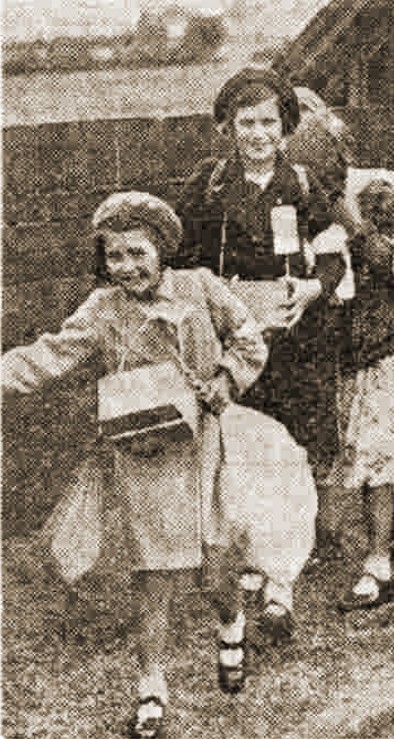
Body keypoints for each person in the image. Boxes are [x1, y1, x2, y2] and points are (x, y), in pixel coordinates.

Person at [1, 193, 269, 738]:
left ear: (161, 251)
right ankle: (151, 688)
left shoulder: (200, 288)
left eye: (137, 253)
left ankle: (231, 620)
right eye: (115, 256)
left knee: (213, 567)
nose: (127, 267)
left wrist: (223, 379)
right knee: (153, 574)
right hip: (140, 456)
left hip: (203, 448)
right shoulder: (103, 310)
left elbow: (248, 341)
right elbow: (50, 353)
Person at [175, 69, 347, 612]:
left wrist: (314, 287)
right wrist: (210, 292)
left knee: (293, 452)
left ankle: (283, 578)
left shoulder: (300, 183)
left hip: (295, 343)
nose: (257, 134)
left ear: (286, 127)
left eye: (268, 122)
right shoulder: (208, 186)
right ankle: (253, 559)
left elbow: (334, 250)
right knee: (243, 453)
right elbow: (181, 259)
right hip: (236, 350)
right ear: (228, 127)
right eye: (246, 123)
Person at [327, 180, 394, 610]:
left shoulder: (390, 253)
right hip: (360, 361)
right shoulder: (355, 250)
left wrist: (352, 230)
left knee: (375, 459)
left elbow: (391, 272)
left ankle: (378, 567)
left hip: (388, 360)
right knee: (366, 454)